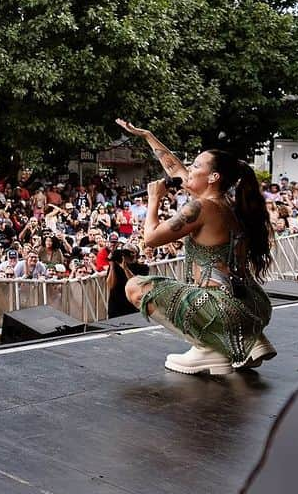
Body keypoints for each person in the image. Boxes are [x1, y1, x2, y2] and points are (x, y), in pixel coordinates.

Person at [117, 120, 276, 375]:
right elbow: (176, 169)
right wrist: (148, 136)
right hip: (253, 304)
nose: (189, 169)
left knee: (135, 288)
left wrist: (153, 200)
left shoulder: (200, 207)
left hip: (221, 308)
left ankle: (207, 349)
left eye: (197, 166)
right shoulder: (227, 203)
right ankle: (249, 340)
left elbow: (151, 238)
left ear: (213, 177)